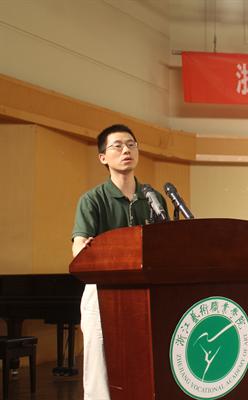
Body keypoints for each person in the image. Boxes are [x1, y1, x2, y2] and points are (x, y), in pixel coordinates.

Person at [71, 124, 168, 400]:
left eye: (131, 144)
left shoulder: (153, 198)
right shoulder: (92, 200)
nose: (126, 150)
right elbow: (79, 246)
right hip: (103, 291)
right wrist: (83, 249)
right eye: (117, 146)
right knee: (99, 364)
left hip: (146, 293)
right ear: (103, 157)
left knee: (146, 360)